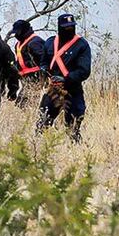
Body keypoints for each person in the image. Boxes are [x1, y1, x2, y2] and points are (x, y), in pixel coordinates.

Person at [38, 13, 91, 142]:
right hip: (53, 90)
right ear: (60, 27)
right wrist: (44, 70)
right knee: (43, 122)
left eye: (71, 26)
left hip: (73, 90)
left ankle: (76, 153)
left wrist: (67, 78)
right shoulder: (50, 43)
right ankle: (37, 150)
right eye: (66, 27)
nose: (69, 29)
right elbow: (44, 62)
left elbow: (84, 71)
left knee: (73, 126)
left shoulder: (82, 45)